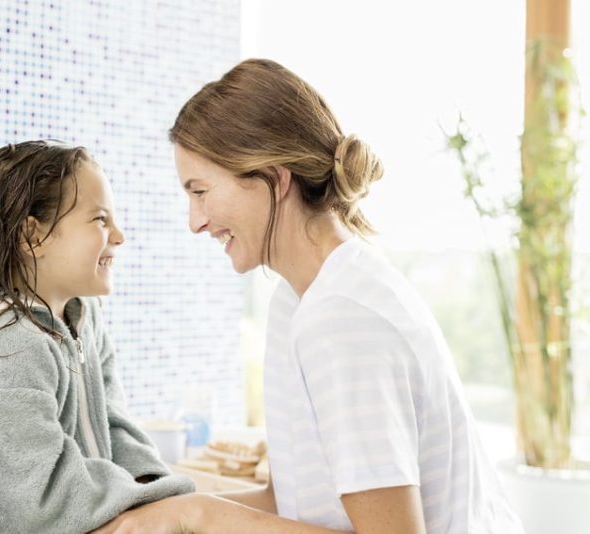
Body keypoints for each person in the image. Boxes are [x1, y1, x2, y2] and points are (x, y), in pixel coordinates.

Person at [93, 59, 523, 533]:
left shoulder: (342, 317)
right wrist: (159, 507)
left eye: (200, 191)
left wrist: (197, 513)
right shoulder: (298, 301)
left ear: (274, 179)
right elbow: (287, 503)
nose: (195, 221)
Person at [0, 140, 193, 534]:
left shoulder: (81, 317)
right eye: (100, 219)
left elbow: (114, 425)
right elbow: (38, 502)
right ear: (32, 236)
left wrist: (156, 492)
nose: (119, 236)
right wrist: (185, 513)